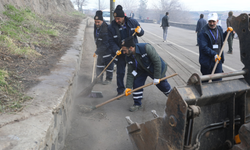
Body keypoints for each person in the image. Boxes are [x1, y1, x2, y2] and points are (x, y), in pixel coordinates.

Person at [121, 36, 172, 112]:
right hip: (141, 70)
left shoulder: (146, 47)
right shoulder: (128, 56)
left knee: (163, 85)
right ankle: (137, 104)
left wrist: (157, 77)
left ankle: (174, 98)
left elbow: (157, 62)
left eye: (124, 50)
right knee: (136, 84)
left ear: (131, 47)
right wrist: (128, 87)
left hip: (154, 68)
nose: (123, 52)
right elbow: (130, 72)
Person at [108, 5, 144, 96]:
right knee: (120, 72)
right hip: (121, 53)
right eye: (115, 18)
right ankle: (120, 91)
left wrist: (140, 31)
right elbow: (111, 41)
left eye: (119, 18)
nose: (117, 20)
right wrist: (116, 50)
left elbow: (141, 34)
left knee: (135, 71)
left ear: (123, 16)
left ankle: (137, 91)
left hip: (132, 52)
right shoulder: (111, 27)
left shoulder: (133, 22)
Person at [198, 13, 233, 82]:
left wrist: (228, 32)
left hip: (218, 60)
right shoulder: (203, 32)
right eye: (210, 21)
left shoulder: (219, 29)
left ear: (217, 21)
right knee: (206, 82)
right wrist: (214, 54)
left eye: (213, 21)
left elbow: (221, 39)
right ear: (208, 21)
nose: (211, 23)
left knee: (218, 81)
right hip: (207, 62)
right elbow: (203, 47)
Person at [93, 10, 114, 85]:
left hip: (108, 51)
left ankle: (108, 79)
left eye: (98, 22)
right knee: (99, 65)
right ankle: (99, 78)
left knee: (109, 67)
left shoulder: (106, 29)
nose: (97, 24)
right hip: (100, 50)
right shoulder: (96, 27)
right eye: (95, 22)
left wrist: (97, 51)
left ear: (102, 21)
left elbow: (106, 44)